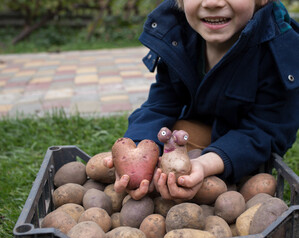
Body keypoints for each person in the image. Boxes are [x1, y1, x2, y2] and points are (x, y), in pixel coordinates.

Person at [105, 0, 299, 201]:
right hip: (193, 136)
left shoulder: (282, 51)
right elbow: (160, 104)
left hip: (245, 150)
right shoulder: (176, 36)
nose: (212, 2)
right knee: (176, 133)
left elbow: (266, 131)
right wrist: (135, 152)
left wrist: (206, 164)